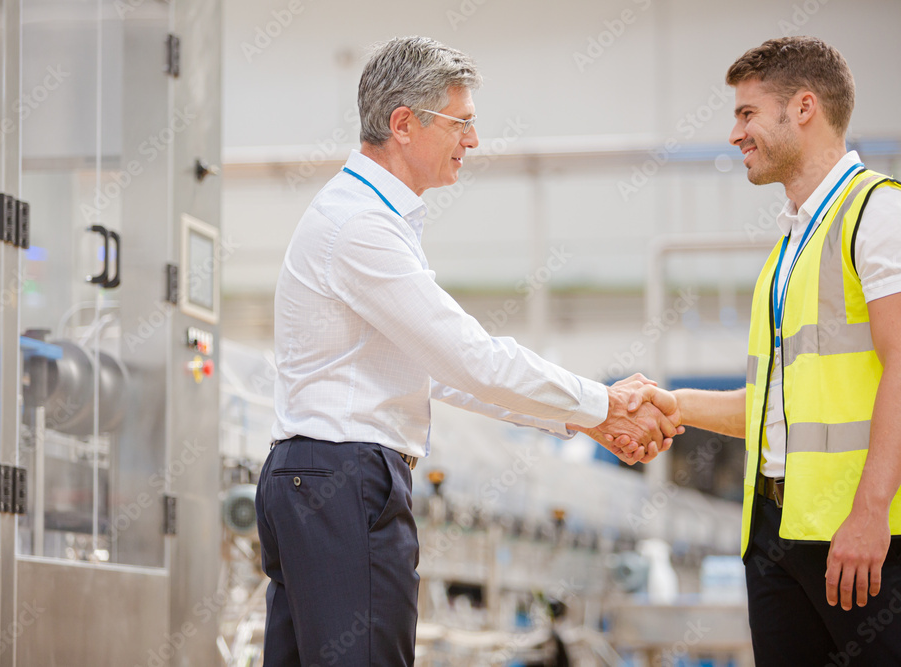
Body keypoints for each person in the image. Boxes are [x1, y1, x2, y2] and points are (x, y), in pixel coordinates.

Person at [255, 36, 681, 666]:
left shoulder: (370, 219)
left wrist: (581, 419)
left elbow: (441, 370)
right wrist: (602, 405)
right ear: (404, 124)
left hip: (317, 479)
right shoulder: (361, 227)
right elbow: (468, 358)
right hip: (343, 482)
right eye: (462, 122)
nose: (474, 141)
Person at [672, 36, 901, 665]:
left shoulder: (875, 215)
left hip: (860, 536)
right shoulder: (788, 248)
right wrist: (671, 402)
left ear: (803, 108)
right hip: (777, 534)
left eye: (747, 113)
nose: (735, 133)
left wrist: (870, 513)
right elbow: (778, 408)